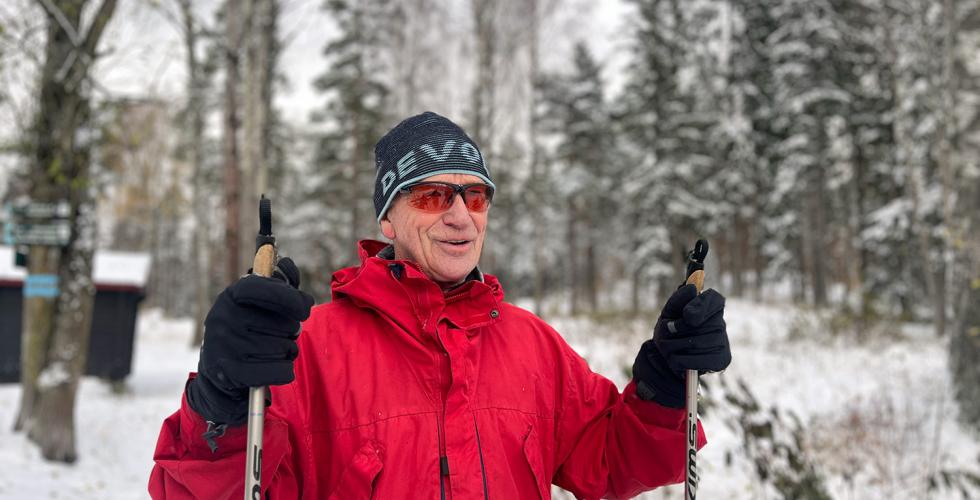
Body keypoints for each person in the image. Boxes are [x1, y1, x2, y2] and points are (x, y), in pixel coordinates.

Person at [148, 111, 731, 499]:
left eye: (475, 195)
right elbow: (202, 489)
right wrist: (220, 402)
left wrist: (660, 386)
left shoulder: (531, 344)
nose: (459, 215)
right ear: (388, 218)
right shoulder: (308, 349)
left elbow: (610, 458)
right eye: (432, 195)